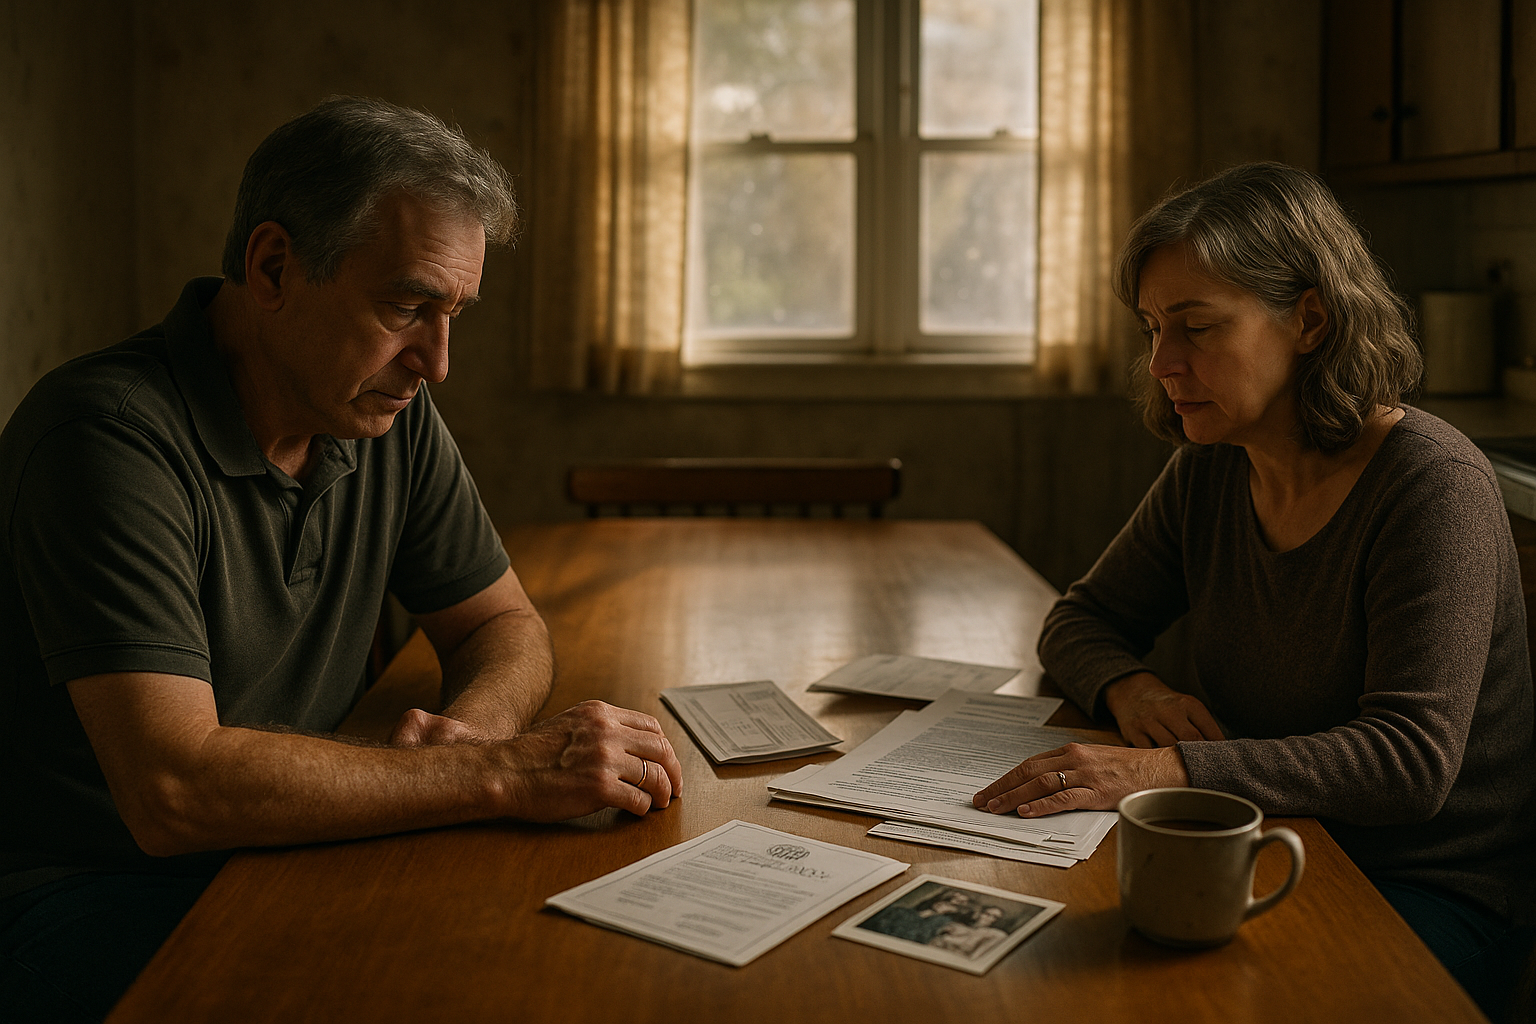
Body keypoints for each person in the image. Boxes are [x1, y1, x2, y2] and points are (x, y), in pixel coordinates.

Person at [0, 96, 682, 1023]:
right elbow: (174, 791)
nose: (437, 362)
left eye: (455, 314)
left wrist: (474, 733)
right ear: (274, 266)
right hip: (78, 891)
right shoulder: (106, 439)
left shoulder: (378, 411)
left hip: (278, 848)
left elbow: (499, 621)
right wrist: (506, 773)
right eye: (407, 305)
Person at [972, 162, 1536, 1018]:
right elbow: (1082, 619)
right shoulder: (1210, 468)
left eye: (1196, 327)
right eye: (1153, 327)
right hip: (1257, 836)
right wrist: (1133, 685)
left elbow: (1409, 761)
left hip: (1423, 890)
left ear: (1310, 318)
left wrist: (1165, 767)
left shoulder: (1431, 484)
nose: (1162, 361)